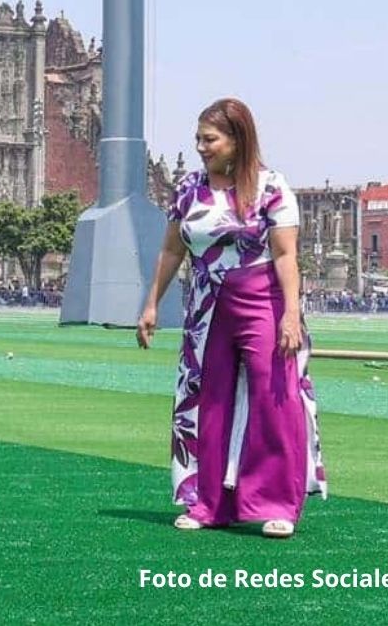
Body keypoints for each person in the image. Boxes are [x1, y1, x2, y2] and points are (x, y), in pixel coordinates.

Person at [136, 98, 325, 539]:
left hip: (262, 299)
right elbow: (171, 249)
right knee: (208, 400)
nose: (201, 147)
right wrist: (150, 305)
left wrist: (291, 317)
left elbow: (285, 254)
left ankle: (278, 502)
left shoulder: (271, 187)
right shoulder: (188, 189)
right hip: (205, 305)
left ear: (238, 140)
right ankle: (208, 504)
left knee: (273, 395)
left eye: (210, 139)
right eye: (197, 139)